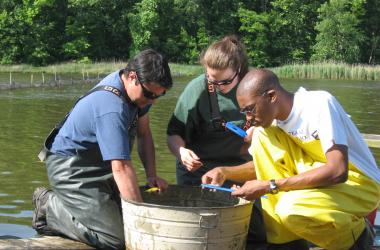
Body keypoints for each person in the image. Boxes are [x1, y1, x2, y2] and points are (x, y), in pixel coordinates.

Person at [202, 68, 380, 250]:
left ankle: (357, 235)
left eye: (250, 109)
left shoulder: (318, 104)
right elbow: (262, 167)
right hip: (319, 180)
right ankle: (286, 243)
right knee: (262, 136)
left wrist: (269, 186)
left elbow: (338, 171)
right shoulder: (270, 127)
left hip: (359, 184)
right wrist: (225, 172)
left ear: (271, 96)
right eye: (244, 112)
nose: (249, 119)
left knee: (289, 209)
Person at [32, 49, 173, 249]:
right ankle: (49, 206)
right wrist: (140, 220)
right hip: (72, 169)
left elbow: (144, 133)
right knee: (117, 240)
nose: (152, 101)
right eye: (150, 94)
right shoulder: (111, 108)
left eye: (160, 95)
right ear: (132, 76)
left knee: (130, 222)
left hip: (101, 166)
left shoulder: (137, 93)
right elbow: (121, 168)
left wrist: (152, 175)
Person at [166, 35, 266, 245]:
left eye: (224, 82)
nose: (217, 85)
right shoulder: (197, 89)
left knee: (259, 232)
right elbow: (173, 134)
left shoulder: (258, 86)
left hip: (243, 170)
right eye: (211, 79)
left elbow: (278, 131)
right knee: (200, 233)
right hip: (199, 171)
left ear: (239, 69)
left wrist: (261, 131)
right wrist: (182, 152)